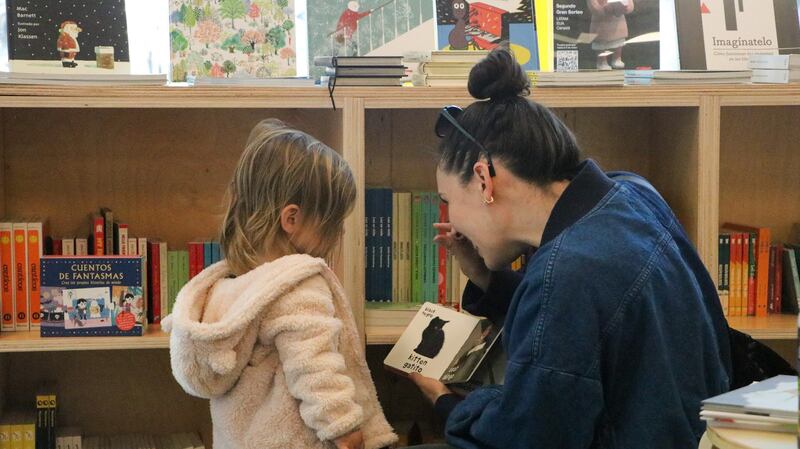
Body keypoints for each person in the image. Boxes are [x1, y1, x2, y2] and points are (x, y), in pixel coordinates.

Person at [404, 46, 731, 449]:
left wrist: (445, 402)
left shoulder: (568, 274)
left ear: (484, 179)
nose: (451, 220)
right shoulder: (632, 192)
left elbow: (526, 437)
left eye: (448, 199)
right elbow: (589, 327)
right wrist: (487, 278)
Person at [165, 119, 397, 449]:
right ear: (291, 219)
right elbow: (314, 366)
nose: (339, 235)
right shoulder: (296, 284)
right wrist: (343, 428)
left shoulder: (230, 287)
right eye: (332, 224)